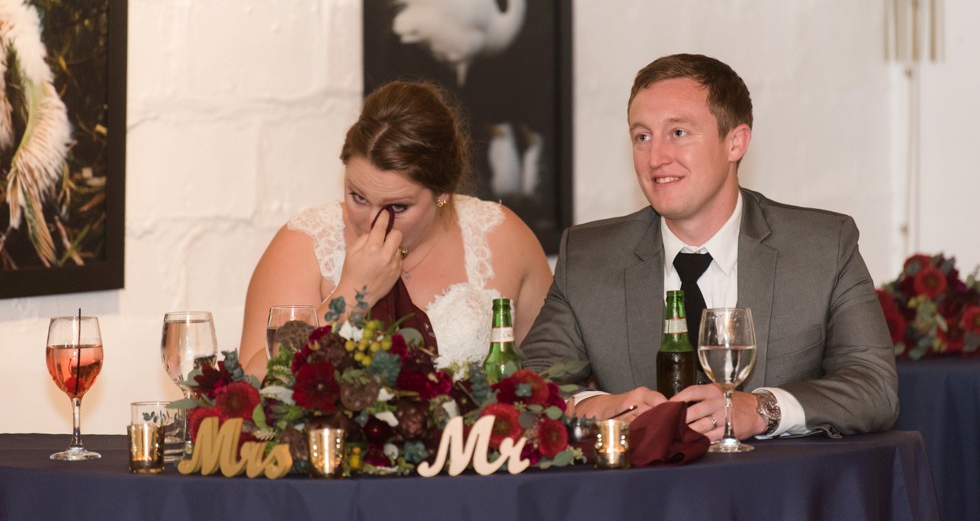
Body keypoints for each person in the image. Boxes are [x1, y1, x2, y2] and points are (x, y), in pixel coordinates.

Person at [522, 53, 898, 441]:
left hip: (774, 493)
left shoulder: (822, 246)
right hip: (641, 497)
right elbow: (524, 387)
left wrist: (762, 409)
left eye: (678, 133)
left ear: (735, 142)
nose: (656, 158)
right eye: (642, 137)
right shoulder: (587, 257)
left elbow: (874, 387)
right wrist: (596, 407)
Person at [240, 80, 553, 377]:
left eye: (398, 207)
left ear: (442, 195)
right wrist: (350, 296)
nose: (374, 221)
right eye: (358, 196)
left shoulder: (502, 235)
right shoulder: (306, 243)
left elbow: (552, 376)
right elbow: (251, 384)